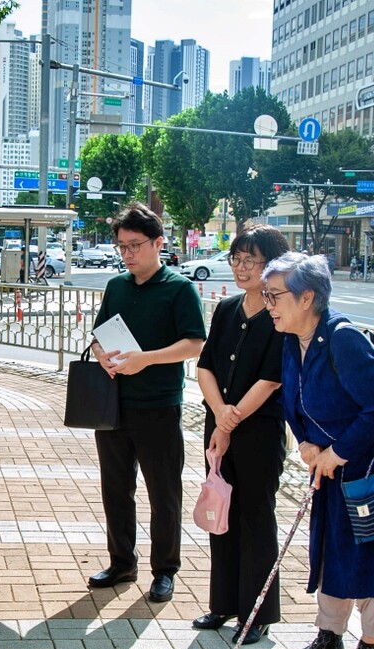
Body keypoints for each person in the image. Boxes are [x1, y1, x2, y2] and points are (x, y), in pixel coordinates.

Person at [266, 252, 374, 649]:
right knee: (332, 546)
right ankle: (328, 638)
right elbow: (292, 401)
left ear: (307, 297)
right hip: (333, 461)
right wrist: (305, 443)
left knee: (372, 551)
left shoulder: (343, 338)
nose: (269, 304)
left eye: (275, 295)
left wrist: (334, 454)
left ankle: (370, 647)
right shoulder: (290, 339)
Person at [88, 202, 206, 603]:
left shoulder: (180, 289)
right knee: (115, 489)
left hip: (158, 405)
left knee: (163, 492)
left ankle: (164, 570)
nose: (127, 253)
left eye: (135, 245)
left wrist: (147, 359)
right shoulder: (116, 287)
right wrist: (101, 352)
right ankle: (122, 561)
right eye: (122, 246)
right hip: (113, 405)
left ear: (159, 243)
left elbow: (194, 343)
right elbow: (99, 333)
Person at [196, 225, 289, 645]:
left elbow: (271, 381)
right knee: (222, 515)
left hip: (259, 434)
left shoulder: (280, 317)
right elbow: (205, 366)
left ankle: (257, 613)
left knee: (255, 517)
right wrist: (219, 416)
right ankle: (223, 603)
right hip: (218, 429)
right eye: (236, 258)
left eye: (252, 260)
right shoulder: (227, 309)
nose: (241, 267)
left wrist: (228, 423)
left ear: (273, 266)